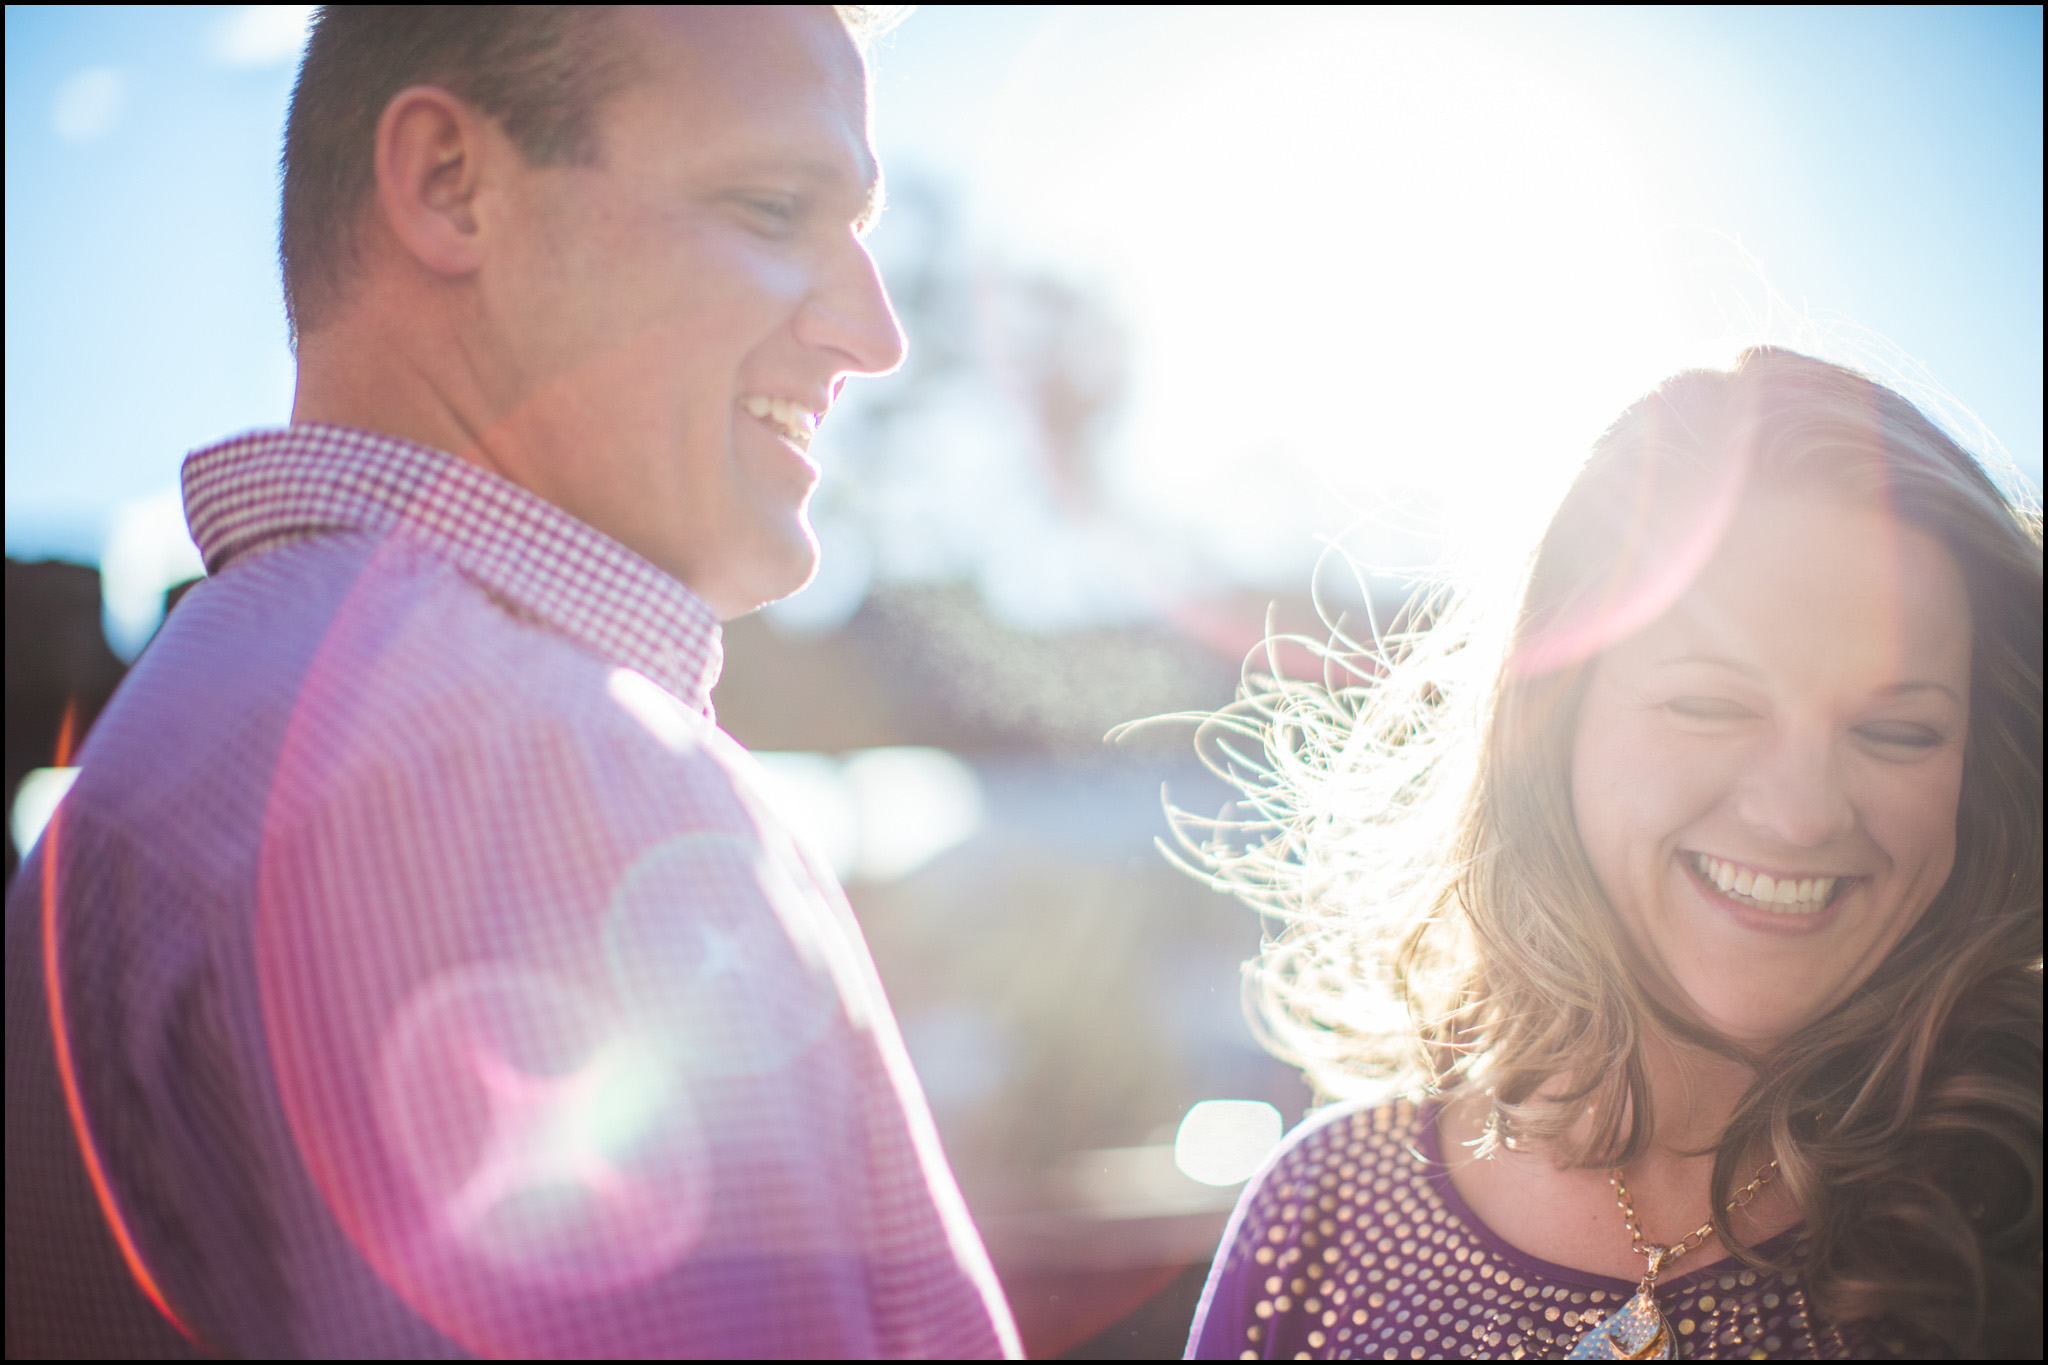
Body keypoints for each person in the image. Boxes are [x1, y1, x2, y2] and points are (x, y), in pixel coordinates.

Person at [3, 6, 1020, 1358]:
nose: (873, 330)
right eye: (774, 205)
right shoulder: (521, 756)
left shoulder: (196, 737)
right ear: (447, 183)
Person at [1179, 348, 2042, 1359]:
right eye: (1709, 704)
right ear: (1551, 730)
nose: (1802, 814)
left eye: (1896, 732)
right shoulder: (1321, 1214)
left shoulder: (2012, 1207)